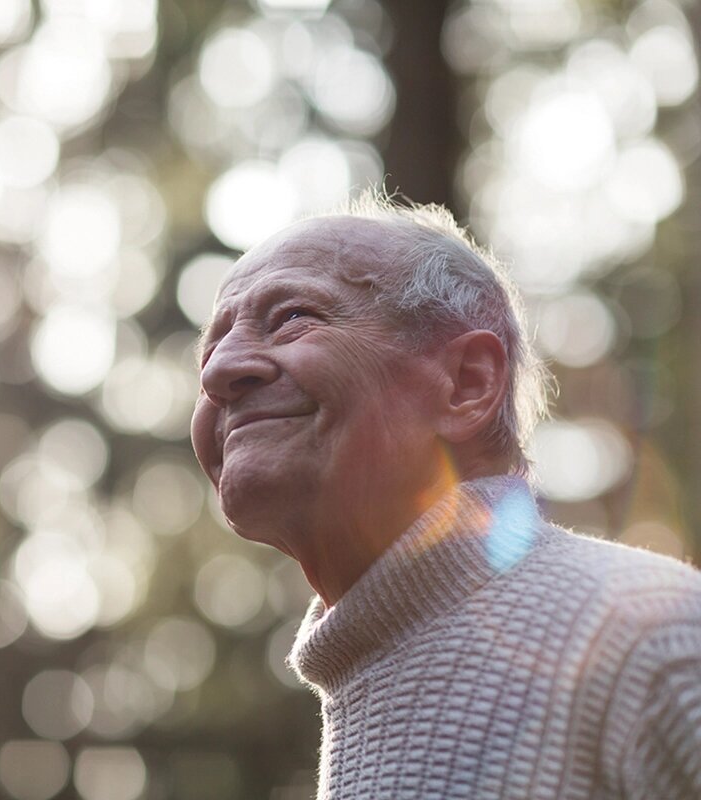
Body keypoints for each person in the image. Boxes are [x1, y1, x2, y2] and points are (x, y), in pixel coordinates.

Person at [189, 195, 701, 799]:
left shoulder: (656, 641)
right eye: (212, 344)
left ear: (467, 383)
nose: (219, 370)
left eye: (292, 317)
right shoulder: (361, 677)